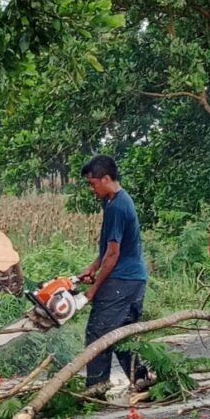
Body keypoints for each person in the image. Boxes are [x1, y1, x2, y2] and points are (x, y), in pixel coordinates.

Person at [77, 154, 149, 395]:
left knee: (98, 331)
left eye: (92, 183)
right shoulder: (112, 201)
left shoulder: (118, 206)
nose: (91, 188)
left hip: (123, 279)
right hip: (132, 278)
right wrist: (92, 268)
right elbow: (109, 248)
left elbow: (114, 254)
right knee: (120, 332)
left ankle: (96, 387)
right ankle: (140, 378)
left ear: (106, 178)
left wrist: (94, 289)